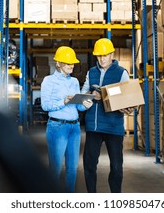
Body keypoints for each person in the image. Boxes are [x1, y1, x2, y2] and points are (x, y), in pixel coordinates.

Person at [81, 38, 133, 193]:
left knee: (116, 167)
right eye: (98, 56)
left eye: (104, 55)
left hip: (113, 127)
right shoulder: (91, 72)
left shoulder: (121, 73)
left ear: (111, 54)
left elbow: (127, 98)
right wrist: (90, 95)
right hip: (94, 126)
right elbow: (84, 93)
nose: (101, 59)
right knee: (89, 165)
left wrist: (105, 97)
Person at [41, 46, 93, 193]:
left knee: (72, 168)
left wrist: (85, 105)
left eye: (72, 63)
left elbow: (77, 107)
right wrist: (62, 102)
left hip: (74, 128)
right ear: (58, 63)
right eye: (67, 63)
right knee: (56, 168)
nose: (71, 65)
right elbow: (45, 106)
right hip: (57, 127)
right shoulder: (49, 81)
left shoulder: (75, 81)